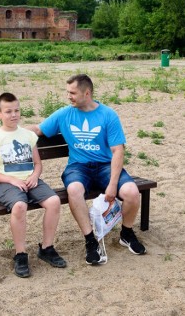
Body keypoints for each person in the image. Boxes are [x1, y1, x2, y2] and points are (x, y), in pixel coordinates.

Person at [30, 74, 146, 265]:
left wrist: (112, 185)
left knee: (132, 192)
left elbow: (118, 151)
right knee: (74, 190)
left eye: (73, 93)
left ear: (87, 93)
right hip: (78, 167)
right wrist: (10, 131)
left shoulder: (108, 115)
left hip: (105, 167)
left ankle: (126, 233)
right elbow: (38, 129)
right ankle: (90, 241)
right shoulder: (64, 114)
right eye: (67, 92)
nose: (69, 97)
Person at [0, 92, 66, 278]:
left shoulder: (28, 135)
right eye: (8, 111)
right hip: (5, 184)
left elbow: (37, 164)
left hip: (30, 180)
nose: (13, 115)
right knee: (20, 206)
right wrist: (12, 180)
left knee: (53, 202)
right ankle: (20, 254)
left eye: (17, 110)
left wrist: (35, 176)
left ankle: (47, 248)